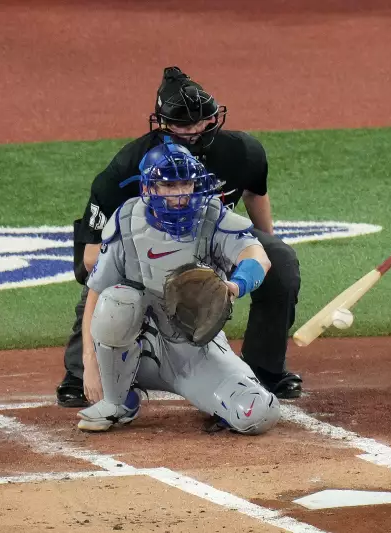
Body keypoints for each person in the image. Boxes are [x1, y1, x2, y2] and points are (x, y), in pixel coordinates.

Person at [56, 66, 302, 408]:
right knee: (110, 279)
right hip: (139, 248)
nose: (196, 132)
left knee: (280, 262)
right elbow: (91, 257)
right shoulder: (128, 167)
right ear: (163, 123)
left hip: (209, 241)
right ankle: (82, 371)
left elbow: (255, 197)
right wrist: (158, 264)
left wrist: (260, 253)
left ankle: (265, 369)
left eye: (204, 123)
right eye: (185, 126)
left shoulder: (242, 151)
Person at [77, 142, 280, 434]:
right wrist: (90, 362)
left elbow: (257, 257)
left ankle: (214, 397)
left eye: (185, 183)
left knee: (257, 414)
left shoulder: (212, 217)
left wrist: (235, 285)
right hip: (138, 350)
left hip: (196, 352)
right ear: (149, 189)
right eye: (169, 185)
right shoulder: (126, 221)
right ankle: (119, 401)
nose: (180, 193)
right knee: (118, 301)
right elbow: (96, 293)